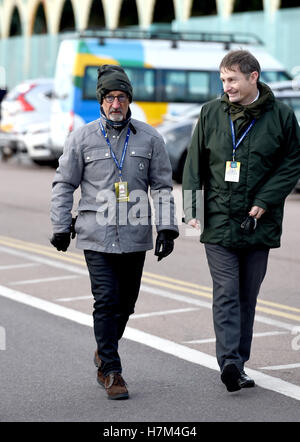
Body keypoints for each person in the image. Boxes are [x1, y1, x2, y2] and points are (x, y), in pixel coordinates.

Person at [50, 65, 179, 400]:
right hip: (96, 233)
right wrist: (61, 226)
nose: (116, 103)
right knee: (106, 300)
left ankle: (103, 348)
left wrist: (167, 228)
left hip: (135, 234)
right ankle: (111, 370)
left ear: (129, 99)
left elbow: (163, 187)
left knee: (126, 304)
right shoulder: (82, 137)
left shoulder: (150, 138)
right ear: (101, 101)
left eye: (121, 97)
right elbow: (64, 184)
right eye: (109, 97)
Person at [182, 50, 300, 393]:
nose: (226, 86)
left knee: (247, 296)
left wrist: (265, 200)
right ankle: (230, 364)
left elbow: (292, 162)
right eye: (223, 80)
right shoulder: (210, 113)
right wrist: (192, 208)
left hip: (258, 223)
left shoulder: (281, 115)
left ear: (253, 77)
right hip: (219, 220)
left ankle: (239, 361)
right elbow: (194, 163)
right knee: (227, 292)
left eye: (232, 79)